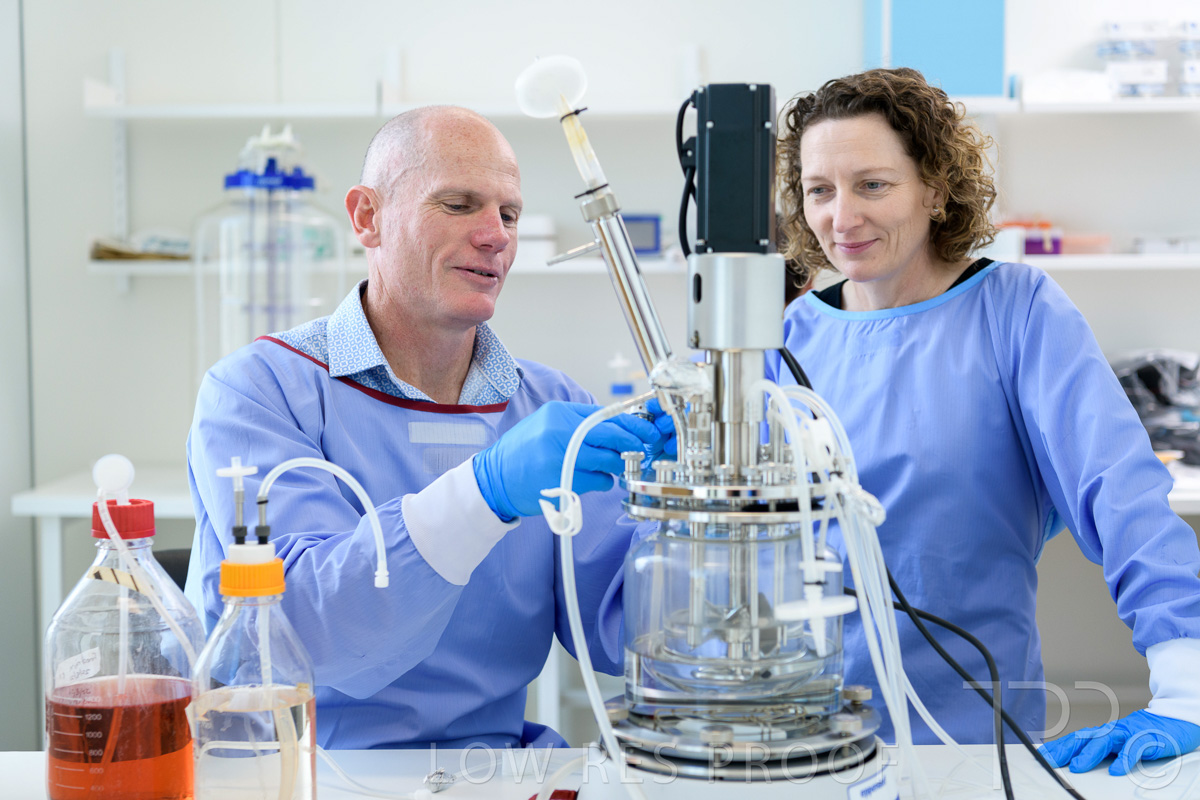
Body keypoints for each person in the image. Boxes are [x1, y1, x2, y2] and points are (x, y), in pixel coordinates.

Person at [184, 106, 663, 750]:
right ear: (367, 216)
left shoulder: (548, 403)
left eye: (509, 215)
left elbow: (624, 632)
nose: (495, 236)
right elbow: (305, 633)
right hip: (300, 773)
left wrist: (685, 521)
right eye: (458, 204)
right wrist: (483, 494)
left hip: (490, 773)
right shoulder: (259, 391)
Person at [769, 67, 1200, 776]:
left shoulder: (1015, 310)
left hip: (969, 743)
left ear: (935, 189)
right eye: (820, 190)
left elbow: (1118, 489)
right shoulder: (790, 337)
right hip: (799, 737)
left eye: (872, 185)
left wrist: (1186, 682)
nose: (841, 217)